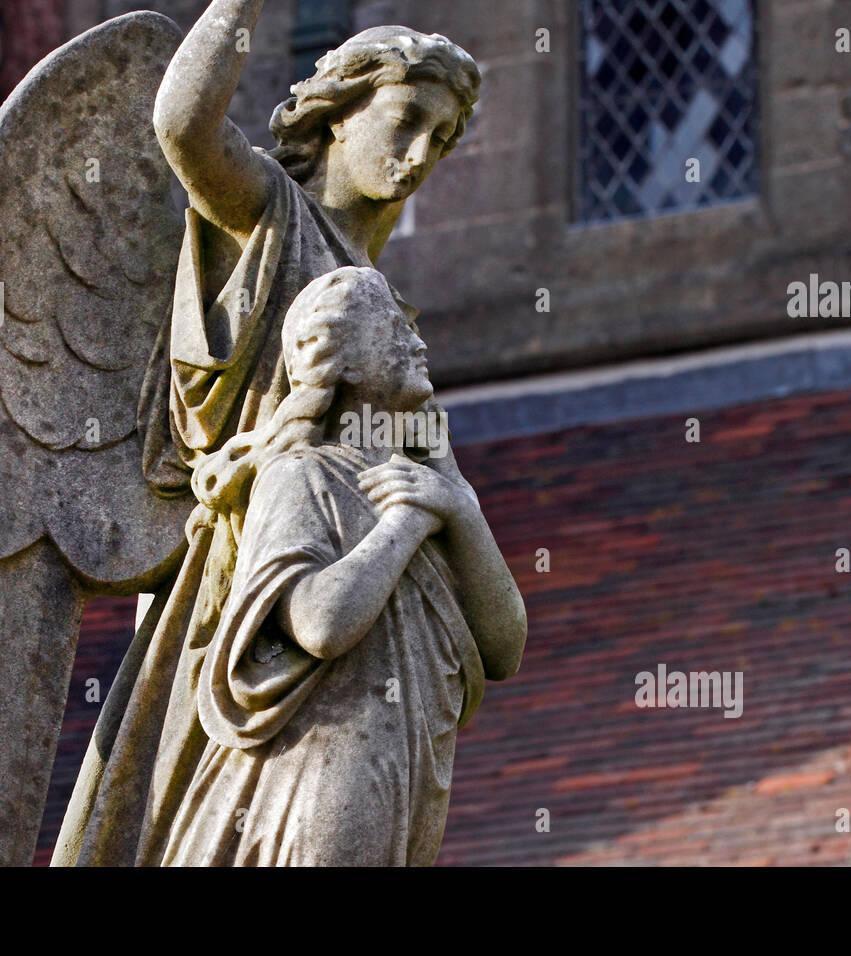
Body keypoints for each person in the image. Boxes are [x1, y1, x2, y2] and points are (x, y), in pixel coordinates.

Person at [54, 3, 489, 865]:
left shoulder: (388, 313)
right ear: (334, 117)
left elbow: (490, 614)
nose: (418, 158)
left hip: (369, 631)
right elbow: (182, 125)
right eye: (404, 123)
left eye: (440, 142)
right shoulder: (270, 219)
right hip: (250, 598)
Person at [163, 266, 525, 865]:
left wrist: (458, 502)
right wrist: (407, 520)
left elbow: (505, 647)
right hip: (325, 772)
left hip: (407, 772)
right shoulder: (303, 475)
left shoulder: (431, 495)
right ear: (344, 361)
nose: (420, 343)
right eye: (394, 328)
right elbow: (320, 624)